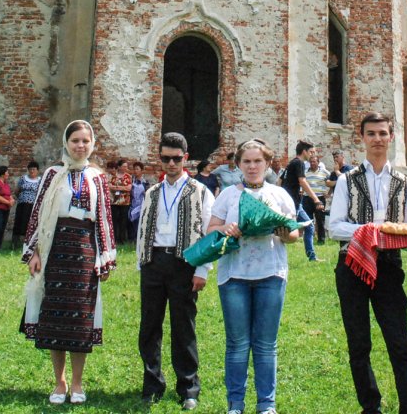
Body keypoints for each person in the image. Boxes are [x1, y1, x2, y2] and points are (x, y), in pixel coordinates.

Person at [327, 112, 407, 414]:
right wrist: (370, 231)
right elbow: (334, 228)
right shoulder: (346, 180)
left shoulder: (405, 184)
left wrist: (391, 235)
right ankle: (370, 406)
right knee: (359, 343)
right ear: (362, 138)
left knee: (400, 342)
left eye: (383, 133)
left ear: (391, 137)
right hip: (351, 265)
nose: (378, 139)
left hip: (389, 267)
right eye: (372, 133)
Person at [21, 119, 117, 405]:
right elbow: (38, 213)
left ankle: (77, 383)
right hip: (55, 247)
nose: (80, 145)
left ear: (92, 144)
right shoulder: (52, 174)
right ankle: (59, 383)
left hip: (85, 251)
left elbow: (104, 219)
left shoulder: (98, 177)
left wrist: (105, 257)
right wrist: (34, 252)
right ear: (66, 142)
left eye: (85, 141)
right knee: (56, 317)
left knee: (80, 318)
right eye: (75, 140)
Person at [207, 139, 300, 414]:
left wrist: (283, 232)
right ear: (238, 164)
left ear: (267, 163)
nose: (252, 166)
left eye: (257, 161)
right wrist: (226, 228)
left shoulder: (280, 195)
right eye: (246, 161)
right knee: (237, 343)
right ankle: (235, 404)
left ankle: (266, 405)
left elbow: (293, 233)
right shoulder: (228, 195)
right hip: (234, 274)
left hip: (271, 273)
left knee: (265, 343)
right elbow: (210, 228)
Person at [136, 133, 216, 409]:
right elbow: (143, 229)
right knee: (149, 327)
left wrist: (203, 270)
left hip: (184, 264)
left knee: (184, 327)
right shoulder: (152, 192)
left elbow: (209, 234)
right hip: (154, 262)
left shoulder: (200, 191)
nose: (171, 163)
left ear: (185, 157)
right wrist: (142, 264)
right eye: (165, 158)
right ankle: (152, 384)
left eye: (176, 158)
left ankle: (189, 387)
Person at [281, 140, 323, 261]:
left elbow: (282, 180)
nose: (312, 155)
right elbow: (302, 181)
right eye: (311, 152)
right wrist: (316, 199)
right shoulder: (299, 163)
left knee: (308, 226)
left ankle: (312, 257)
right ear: (304, 151)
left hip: (293, 201)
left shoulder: (292, 163)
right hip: (293, 203)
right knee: (283, 230)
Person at [12, 161, 41, 250]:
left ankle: (27, 243)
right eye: (30, 169)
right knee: (19, 222)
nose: (32, 171)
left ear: (37, 171)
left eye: (34, 169)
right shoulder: (23, 178)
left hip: (33, 206)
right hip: (22, 205)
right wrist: (21, 198)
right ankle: (15, 243)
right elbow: (17, 191)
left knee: (30, 223)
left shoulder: (40, 180)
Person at [305, 150, 331, 244]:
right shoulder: (305, 172)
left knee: (320, 220)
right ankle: (309, 239)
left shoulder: (324, 172)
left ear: (318, 162)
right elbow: (302, 184)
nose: (312, 163)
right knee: (308, 220)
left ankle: (321, 240)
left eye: (314, 161)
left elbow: (331, 182)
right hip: (307, 198)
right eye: (311, 162)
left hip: (320, 198)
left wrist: (328, 193)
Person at [111, 158, 133, 243]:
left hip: (125, 202)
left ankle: (122, 239)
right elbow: (109, 187)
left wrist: (117, 187)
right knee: (115, 221)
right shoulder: (113, 176)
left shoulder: (128, 176)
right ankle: (115, 239)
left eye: (126, 166)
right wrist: (122, 188)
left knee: (123, 221)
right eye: (123, 166)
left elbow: (129, 188)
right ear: (119, 167)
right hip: (115, 202)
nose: (125, 168)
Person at [128, 161, 149, 237]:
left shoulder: (145, 182)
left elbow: (147, 194)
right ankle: (131, 238)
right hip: (132, 204)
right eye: (134, 169)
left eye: (137, 169)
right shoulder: (131, 181)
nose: (135, 171)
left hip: (141, 205)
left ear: (142, 171)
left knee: (139, 222)